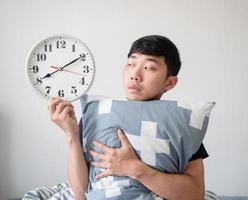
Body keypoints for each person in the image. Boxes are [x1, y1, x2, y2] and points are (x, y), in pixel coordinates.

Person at [48, 35, 208, 200]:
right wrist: (72, 135)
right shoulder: (97, 118)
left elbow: (195, 195)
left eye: (149, 68)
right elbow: (81, 195)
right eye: (131, 64)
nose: (135, 75)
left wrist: (135, 169)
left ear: (170, 83)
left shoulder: (179, 124)